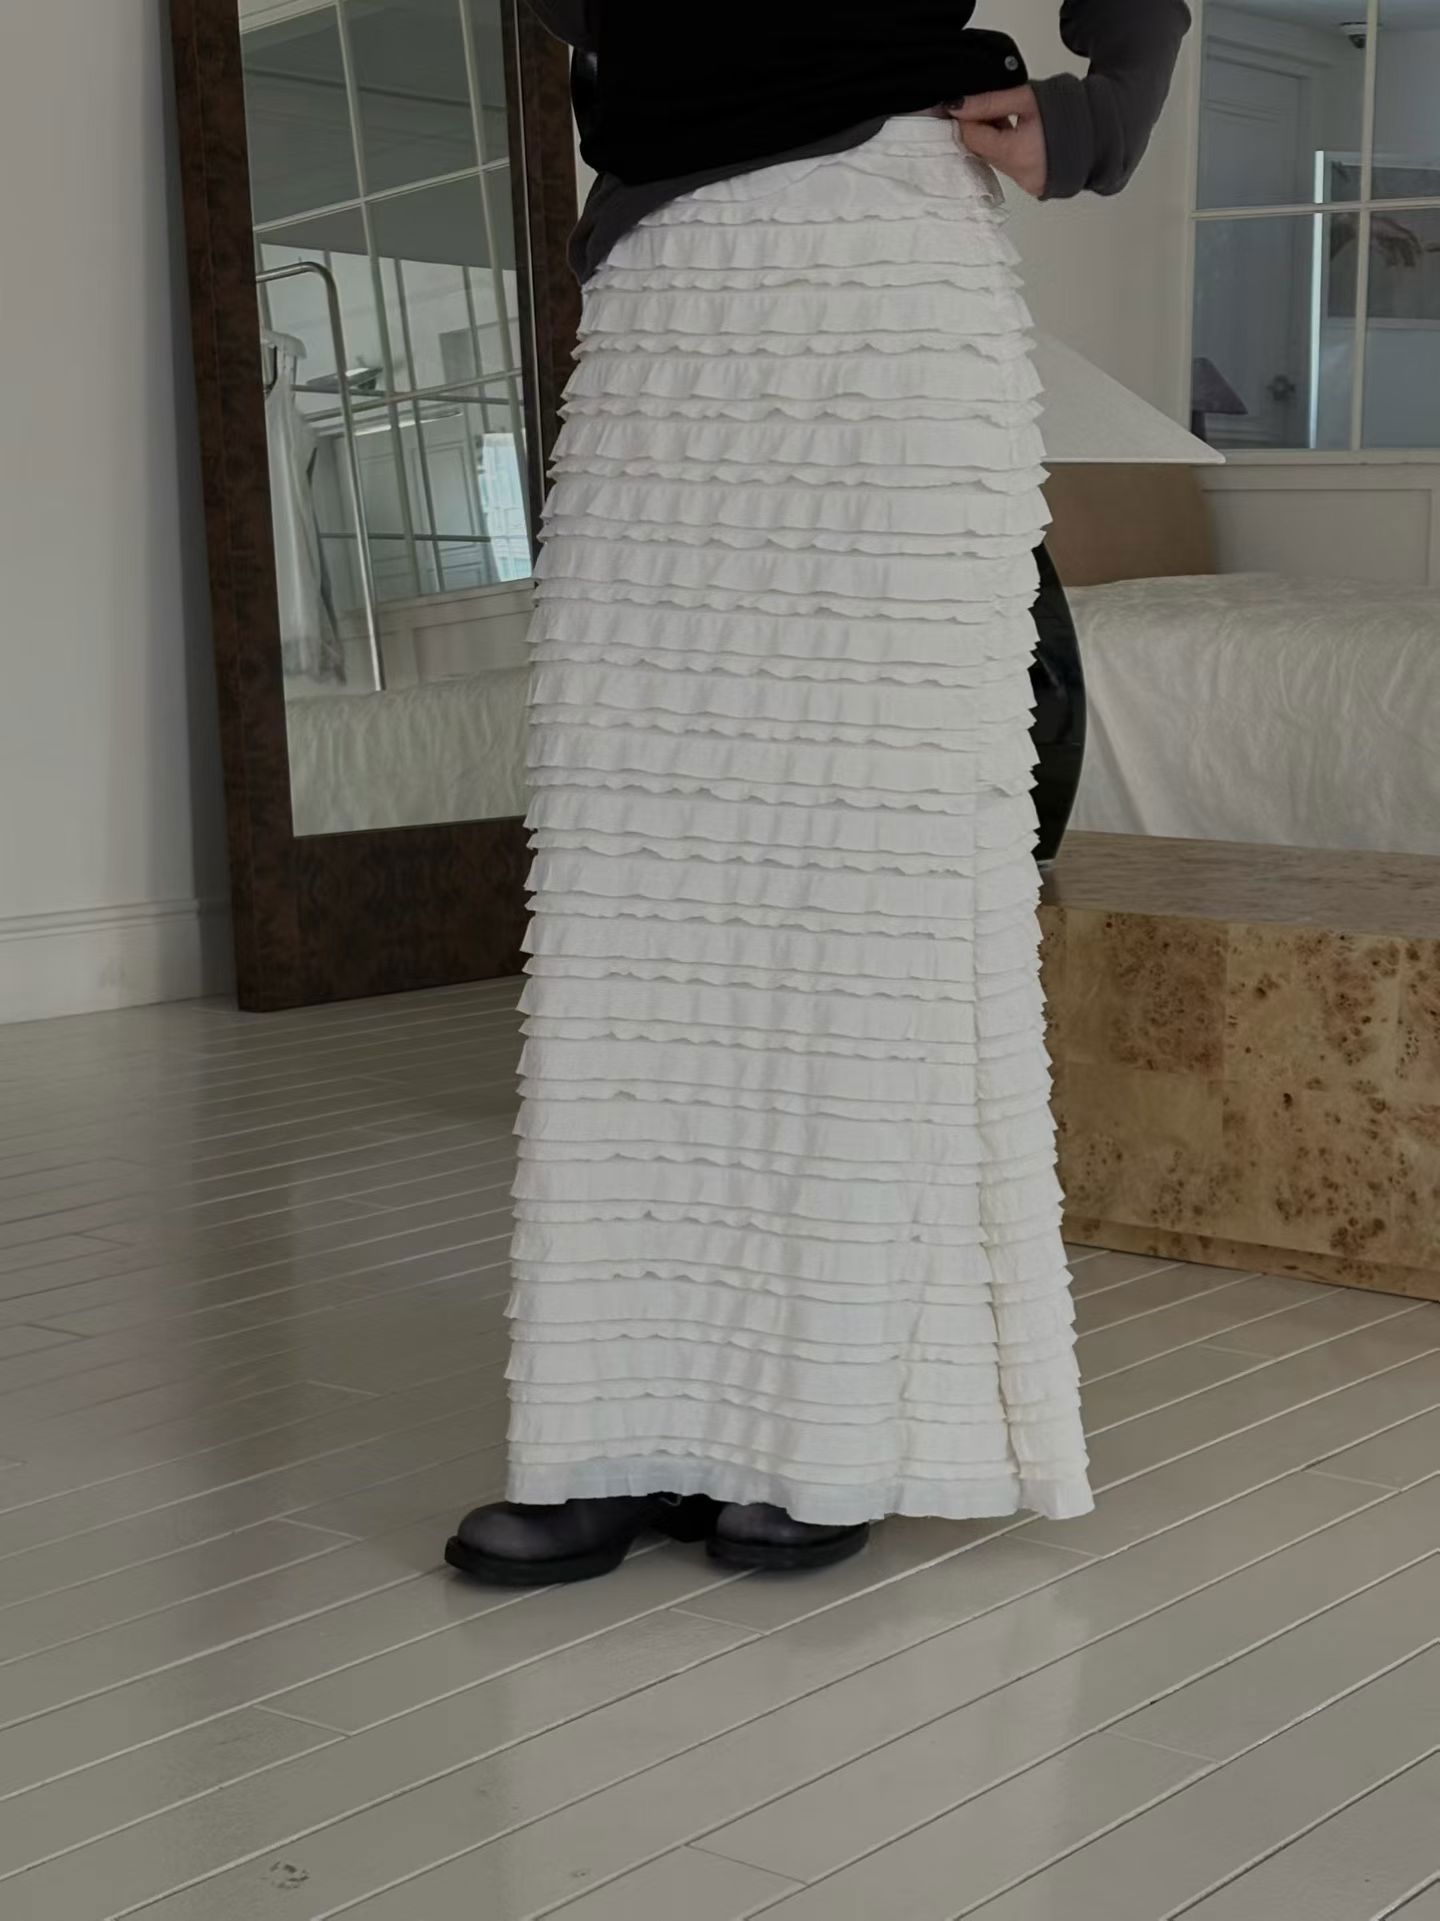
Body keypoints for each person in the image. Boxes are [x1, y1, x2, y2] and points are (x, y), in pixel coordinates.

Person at [448, 1, 1191, 1585]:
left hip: (876, 253)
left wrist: (1110, 107)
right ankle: (611, 1430)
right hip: (661, 275)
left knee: (860, 895)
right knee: (637, 890)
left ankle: (838, 1418)